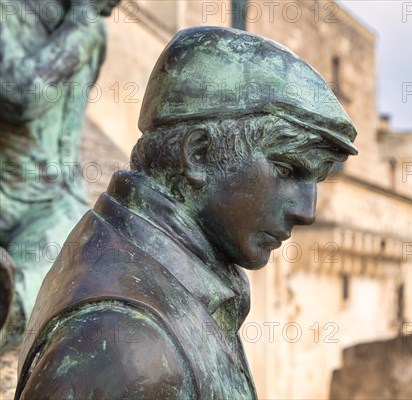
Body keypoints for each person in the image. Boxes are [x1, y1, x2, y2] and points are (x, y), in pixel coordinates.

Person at [15, 26, 358, 399]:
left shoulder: (152, 278)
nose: (307, 212)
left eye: (316, 180)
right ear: (198, 155)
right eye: (289, 170)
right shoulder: (127, 348)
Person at [0, 0, 121, 351]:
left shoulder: (92, 31)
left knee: (66, 255)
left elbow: (68, 123)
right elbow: (22, 96)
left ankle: (9, 311)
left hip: (50, 199)